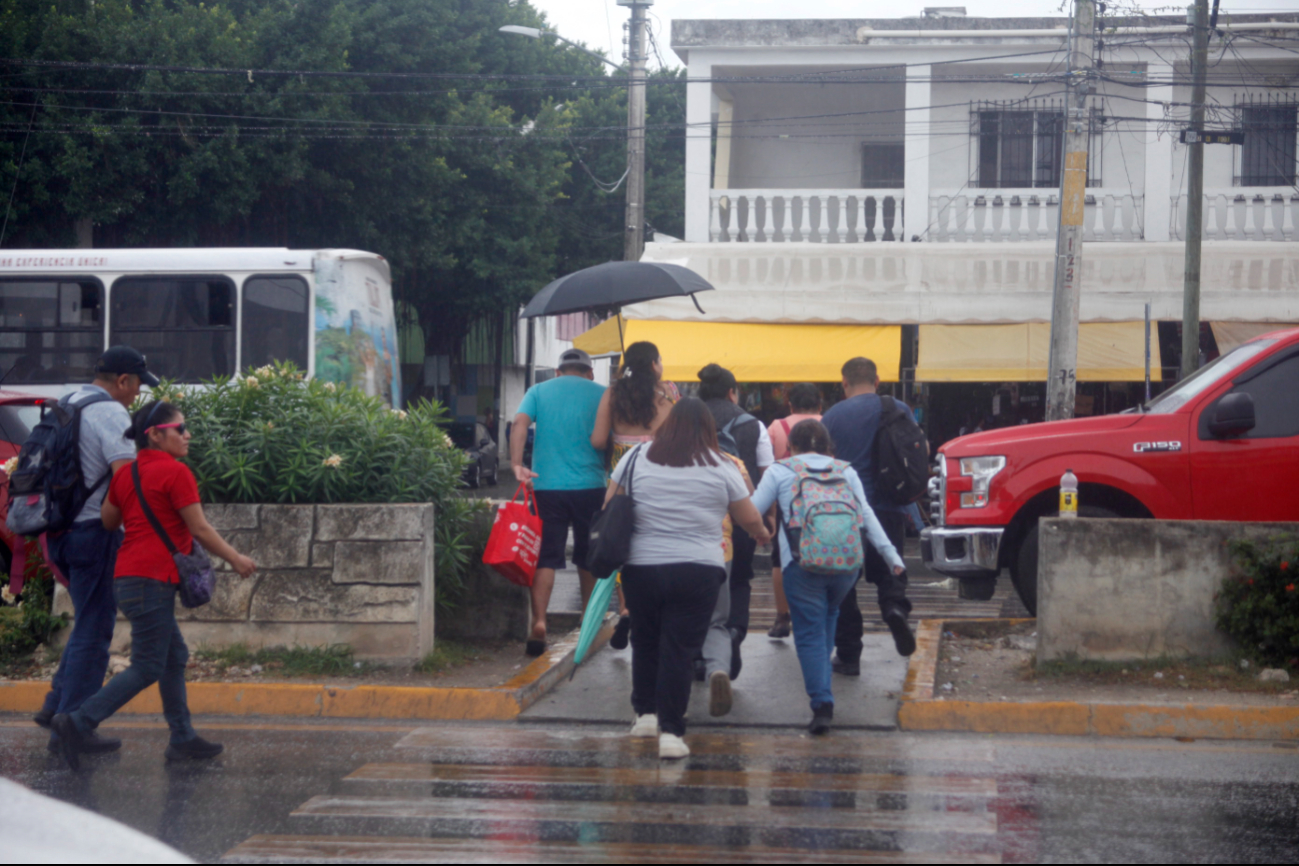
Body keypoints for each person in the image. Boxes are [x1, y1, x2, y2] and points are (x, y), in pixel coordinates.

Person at [49, 402, 257, 770]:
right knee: (147, 665)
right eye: (180, 428)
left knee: (173, 657)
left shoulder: (125, 475)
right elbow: (200, 528)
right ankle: (79, 721)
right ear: (156, 435)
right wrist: (236, 558)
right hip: (152, 581)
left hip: (127, 578)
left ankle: (182, 737)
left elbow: (109, 521)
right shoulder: (176, 473)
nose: (187, 434)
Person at [606, 398, 770, 759]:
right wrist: (762, 533)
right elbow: (748, 516)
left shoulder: (635, 458)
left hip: (642, 567)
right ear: (709, 430)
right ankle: (671, 733)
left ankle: (645, 715)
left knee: (645, 640)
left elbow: (609, 505)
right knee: (678, 649)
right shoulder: (722, 464)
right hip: (698, 570)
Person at [33, 347, 160, 756]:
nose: (137, 394)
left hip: (57, 530)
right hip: (94, 531)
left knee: (86, 617)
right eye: (137, 384)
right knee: (96, 626)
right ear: (122, 380)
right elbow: (126, 479)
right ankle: (73, 725)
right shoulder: (109, 412)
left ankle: (55, 706)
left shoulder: (68, 401)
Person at [751, 419, 904, 734]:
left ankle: (822, 704)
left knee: (808, 633)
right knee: (830, 615)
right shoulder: (845, 471)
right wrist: (891, 556)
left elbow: (752, 510)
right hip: (847, 564)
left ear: (790, 446)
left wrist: (760, 532)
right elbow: (866, 514)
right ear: (827, 446)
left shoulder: (780, 471)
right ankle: (822, 680)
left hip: (801, 564)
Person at [820, 357, 916, 675]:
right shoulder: (898, 407)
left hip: (844, 511)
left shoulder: (832, 416)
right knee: (891, 570)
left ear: (844, 383)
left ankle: (848, 654)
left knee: (843, 585)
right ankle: (894, 609)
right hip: (890, 506)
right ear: (877, 381)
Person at [511, 348, 607, 657]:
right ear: (589, 372)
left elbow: (519, 425)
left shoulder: (538, 390)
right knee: (587, 554)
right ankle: (586, 620)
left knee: (546, 556)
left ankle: (539, 621)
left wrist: (516, 465)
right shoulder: (603, 394)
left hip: (545, 486)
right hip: (591, 486)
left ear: (558, 371)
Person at [589, 341, 676, 651]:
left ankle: (626, 606)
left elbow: (598, 439)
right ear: (653, 364)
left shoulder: (613, 394)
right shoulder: (667, 397)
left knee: (621, 535)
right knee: (652, 535)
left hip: (621, 473)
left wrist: (621, 436)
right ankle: (653, 602)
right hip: (657, 470)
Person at [697, 363, 773, 679]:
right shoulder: (754, 425)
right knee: (739, 581)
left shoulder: (684, 422)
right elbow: (767, 476)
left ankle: (701, 656)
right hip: (740, 521)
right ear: (732, 392)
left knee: (698, 592)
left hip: (697, 521)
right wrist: (765, 523)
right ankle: (734, 635)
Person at [765, 383, 823, 639]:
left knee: (780, 557)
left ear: (790, 404)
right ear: (820, 405)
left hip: (786, 501)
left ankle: (782, 617)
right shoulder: (829, 422)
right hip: (824, 499)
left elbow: (766, 462)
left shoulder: (777, 427)